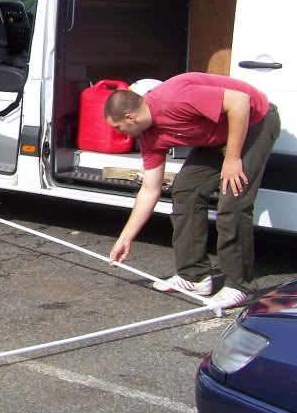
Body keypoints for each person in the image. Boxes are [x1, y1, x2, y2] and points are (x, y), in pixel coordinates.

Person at [103, 72, 281, 308]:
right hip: (217, 134)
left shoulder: (174, 98)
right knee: (185, 190)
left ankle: (240, 287)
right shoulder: (150, 137)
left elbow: (239, 102)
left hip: (254, 121)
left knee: (232, 200)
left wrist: (232, 158)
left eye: (118, 127)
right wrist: (125, 239)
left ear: (130, 117)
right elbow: (149, 189)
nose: (118, 132)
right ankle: (194, 275)